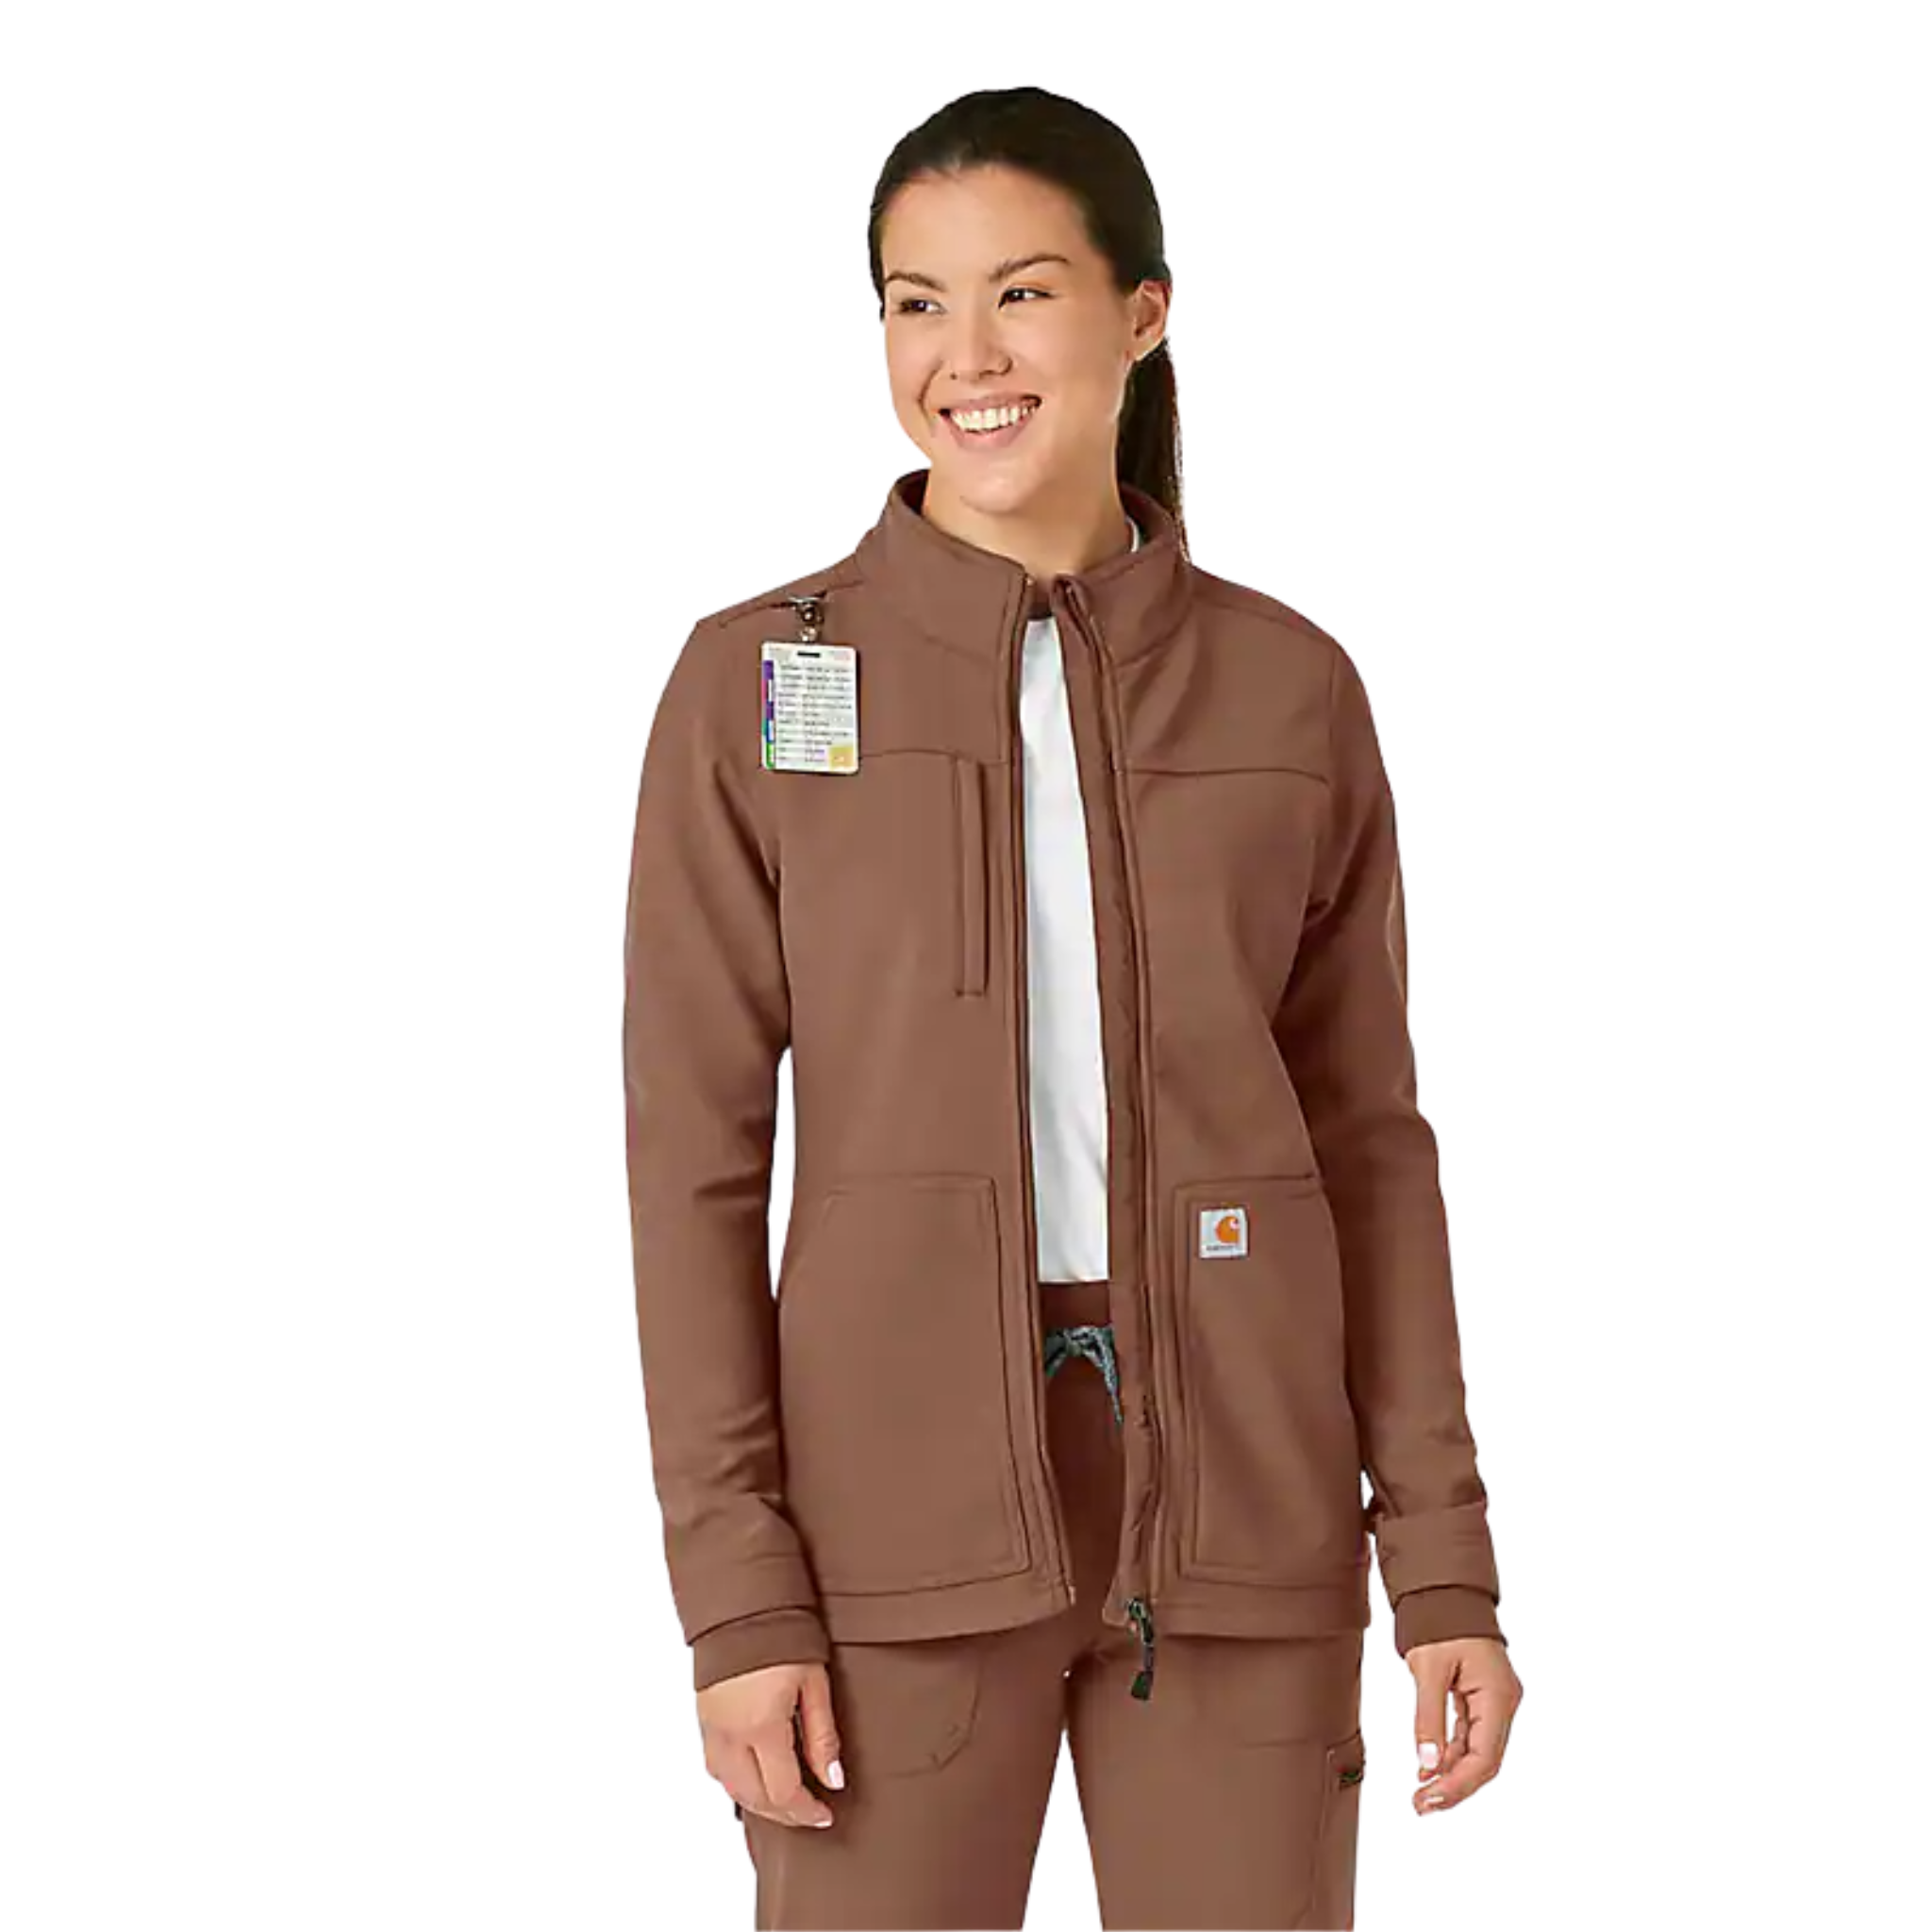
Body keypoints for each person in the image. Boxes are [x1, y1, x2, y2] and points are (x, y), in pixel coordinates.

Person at [622, 83, 1524, 1930]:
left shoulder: (1288, 690)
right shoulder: (761, 682)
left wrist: (1440, 1557)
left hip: (1243, 1512)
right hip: (887, 1535)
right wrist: (738, 1595)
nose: (964, 356)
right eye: (915, 301)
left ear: (1142, 312)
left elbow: (1370, 1147)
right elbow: (690, 1163)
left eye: (1021, 293)